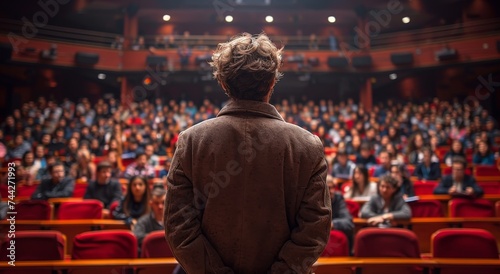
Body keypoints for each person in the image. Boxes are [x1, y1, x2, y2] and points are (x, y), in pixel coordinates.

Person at [164, 33, 331, 274]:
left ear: (223, 84)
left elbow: (177, 226)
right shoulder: (307, 145)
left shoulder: (191, 141)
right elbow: (315, 229)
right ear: (272, 82)